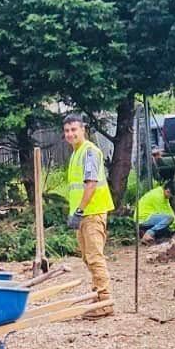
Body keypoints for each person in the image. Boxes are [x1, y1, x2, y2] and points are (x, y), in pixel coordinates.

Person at [61, 114, 114, 317]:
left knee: (94, 257)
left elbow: (91, 183)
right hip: (84, 214)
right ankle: (98, 296)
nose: (70, 134)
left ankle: (105, 301)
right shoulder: (76, 153)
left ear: (83, 129)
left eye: (74, 129)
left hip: (92, 212)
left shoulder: (89, 152)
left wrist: (80, 211)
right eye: (67, 131)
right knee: (87, 257)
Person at [135, 177, 175, 242]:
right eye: (171, 195)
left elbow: (169, 210)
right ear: (168, 191)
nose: (170, 197)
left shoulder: (162, 194)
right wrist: (174, 228)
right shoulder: (158, 197)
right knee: (168, 219)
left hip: (148, 217)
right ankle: (148, 234)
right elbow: (165, 214)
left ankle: (147, 233)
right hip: (143, 219)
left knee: (167, 224)